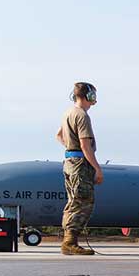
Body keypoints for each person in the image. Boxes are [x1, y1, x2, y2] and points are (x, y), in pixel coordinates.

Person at [55, 82, 103, 255]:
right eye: (93, 95)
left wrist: (69, 148)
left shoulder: (68, 113)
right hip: (80, 163)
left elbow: (59, 135)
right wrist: (97, 168)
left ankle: (69, 241)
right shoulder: (81, 115)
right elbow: (85, 145)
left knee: (73, 200)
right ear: (87, 95)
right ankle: (70, 242)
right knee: (83, 201)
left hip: (70, 162)